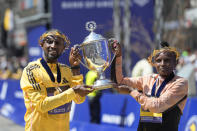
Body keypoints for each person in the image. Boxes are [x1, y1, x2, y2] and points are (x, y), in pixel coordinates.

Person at [20, 29, 94, 131]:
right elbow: (42, 105)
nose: (53, 46)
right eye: (49, 42)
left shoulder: (67, 70)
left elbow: (79, 99)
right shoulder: (31, 70)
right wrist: (74, 90)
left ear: (63, 48)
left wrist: (75, 68)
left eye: (58, 43)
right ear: (42, 44)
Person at [111, 40, 188, 131]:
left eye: (167, 60)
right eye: (159, 61)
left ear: (175, 63)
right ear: (154, 64)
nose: (162, 64)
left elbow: (157, 106)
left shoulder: (180, 83)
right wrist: (118, 56)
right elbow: (119, 82)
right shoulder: (149, 79)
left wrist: (131, 92)